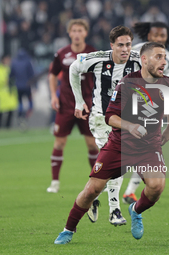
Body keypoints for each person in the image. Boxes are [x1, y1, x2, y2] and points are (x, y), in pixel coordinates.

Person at [54, 42, 169, 244]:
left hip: (149, 147)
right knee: (92, 190)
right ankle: (68, 229)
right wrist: (130, 126)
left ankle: (135, 210)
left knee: (157, 187)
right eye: (158, 57)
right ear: (144, 60)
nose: (164, 62)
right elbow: (110, 117)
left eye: (164, 57)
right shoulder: (127, 84)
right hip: (119, 145)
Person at [69, 25, 141, 226]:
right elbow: (73, 68)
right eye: (120, 45)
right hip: (101, 118)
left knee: (117, 165)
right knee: (116, 161)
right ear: (112, 46)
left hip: (123, 121)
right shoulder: (99, 58)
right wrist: (78, 101)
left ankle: (90, 197)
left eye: (128, 44)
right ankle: (115, 211)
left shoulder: (137, 59)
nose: (125, 49)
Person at [123, 21, 169, 204]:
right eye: (156, 35)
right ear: (148, 36)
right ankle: (111, 192)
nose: (159, 38)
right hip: (126, 105)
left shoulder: (168, 58)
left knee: (146, 151)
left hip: (149, 109)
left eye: (163, 35)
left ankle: (129, 191)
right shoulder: (134, 51)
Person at [46, 19, 99, 194]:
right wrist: (54, 95)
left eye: (80, 30)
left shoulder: (93, 53)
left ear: (85, 33)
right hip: (66, 105)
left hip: (87, 106)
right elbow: (52, 74)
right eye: (74, 30)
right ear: (69, 33)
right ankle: (55, 182)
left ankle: (97, 180)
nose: (77, 34)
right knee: (59, 142)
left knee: (92, 144)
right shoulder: (62, 54)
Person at [9, 48, 35, 127]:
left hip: (18, 86)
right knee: (30, 102)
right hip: (27, 86)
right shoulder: (27, 62)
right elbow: (32, 74)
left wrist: (10, 86)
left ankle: (20, 116)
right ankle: (26, 116)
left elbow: (11, 75)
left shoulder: (14, 62)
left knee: (20, 102)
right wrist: (35, 85)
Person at [0, 54, 18, 128]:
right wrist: (7, 80)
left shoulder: (9, 68)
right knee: (1, 111)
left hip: (10, 93)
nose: (8, 61)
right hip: (2, 93)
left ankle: (7, 126)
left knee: (11, 111)